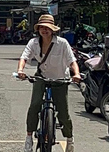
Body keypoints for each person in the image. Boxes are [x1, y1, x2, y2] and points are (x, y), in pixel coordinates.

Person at [17, 14, 81, 152]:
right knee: (34, 106)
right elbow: (24, 57)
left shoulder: (62, 43)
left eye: (48, 28)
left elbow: (72, 61)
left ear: (53, 29)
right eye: (42, 27)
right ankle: (29, 139)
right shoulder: (33, 43)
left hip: (60, 80)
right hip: (41, 78)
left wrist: (76, 74)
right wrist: (20, 70)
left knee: (63, 112)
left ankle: (69, 139)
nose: (44, 30)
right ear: (38, 29)